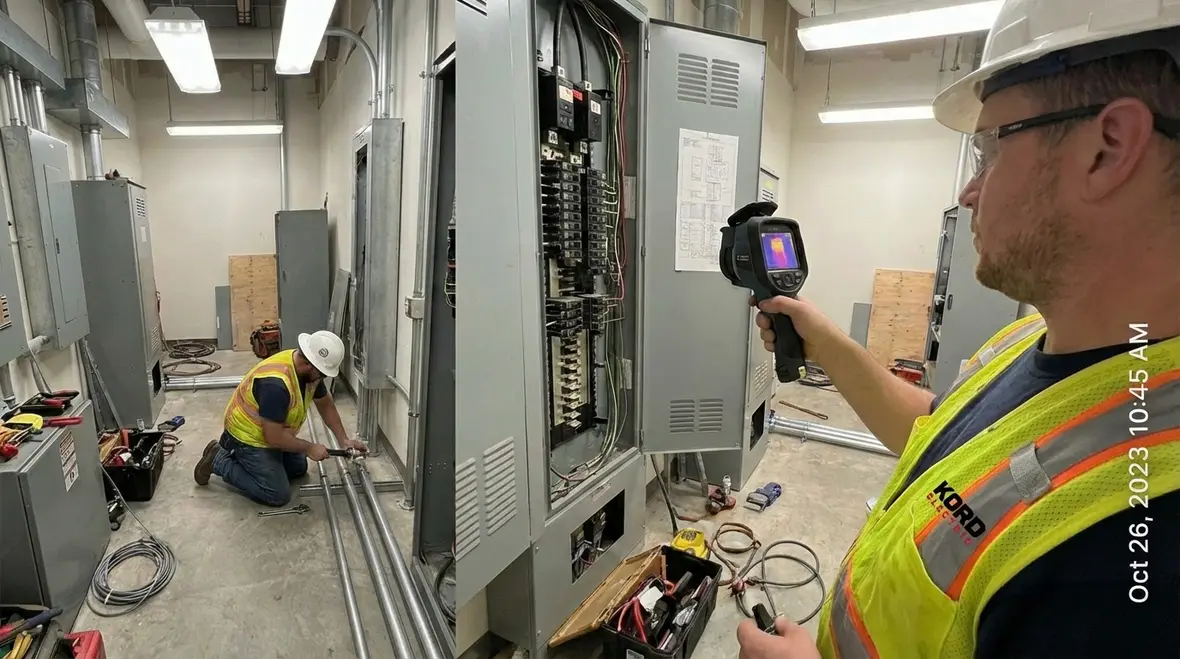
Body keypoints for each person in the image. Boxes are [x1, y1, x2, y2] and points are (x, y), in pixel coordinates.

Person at [736, 1, 1180, 657]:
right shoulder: (1033, 341)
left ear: (1106, 149)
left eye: (990, 147)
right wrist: (824, 337)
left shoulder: (1134, 551)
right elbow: (932, 431)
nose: (969, 192)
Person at [192, 330, 368, 506]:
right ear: (309, 365)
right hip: (247, 437)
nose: (321, 379)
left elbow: (325, 404)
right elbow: (273, 437)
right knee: (277, 493)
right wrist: (308, 447)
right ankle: (218, 459)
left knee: (298, 468)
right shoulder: (275, 385)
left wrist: (344, 440)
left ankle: (257, 463)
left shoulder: (307, 370)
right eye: (321, 374)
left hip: (272, 431)